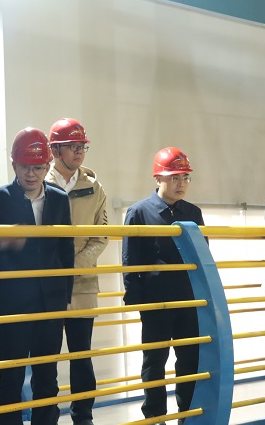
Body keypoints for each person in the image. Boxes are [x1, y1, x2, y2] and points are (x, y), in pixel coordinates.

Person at [0, 127, 75, 425]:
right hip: (13, 303)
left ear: (47, 166)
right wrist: (5, 239)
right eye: (25, 167)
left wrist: (66, 297)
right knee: (11, 374)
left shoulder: (59, 199)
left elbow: (66, 249)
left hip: (51, 301)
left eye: (38, 168)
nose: (31, 174)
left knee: (47, 374)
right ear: (13, 164)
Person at [122, 147, 203, 424]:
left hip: (189, 300)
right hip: (156, 302)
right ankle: (155, 416)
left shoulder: (193, 213)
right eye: (174, 177)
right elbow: (130, 259)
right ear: (158, 177)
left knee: (190, 359)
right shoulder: (139, 212)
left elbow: (203, 255)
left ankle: (187, 414)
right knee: (154, 360)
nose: (181, 183)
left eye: (185, 177)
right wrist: (136, 299)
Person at [45, 118, 108, 425]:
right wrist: (55, 269)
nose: (79, 151)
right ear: (55, 150)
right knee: (46, 357)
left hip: (83, 285)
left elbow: (102, 235)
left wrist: (75, 266)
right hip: (46, 285)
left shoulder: (94, 188)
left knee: (81, 355)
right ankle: (47, 416)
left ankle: (83, 416)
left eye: (82, 146)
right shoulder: (38, 182)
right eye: (72, 146)